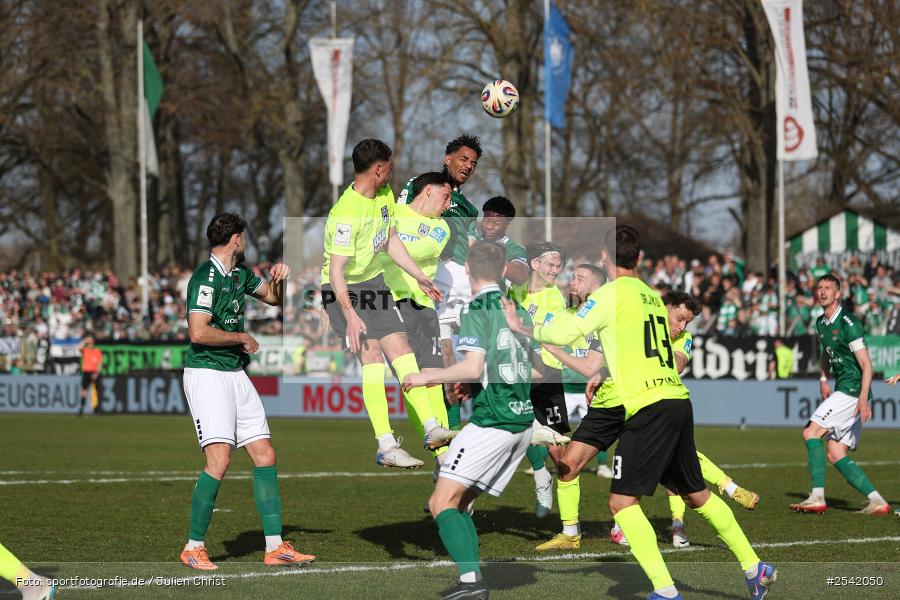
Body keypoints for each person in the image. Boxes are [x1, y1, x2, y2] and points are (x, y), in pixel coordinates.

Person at [504, 225, 775, 600]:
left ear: (605, 259)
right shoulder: (651, 295)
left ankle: (665, 591)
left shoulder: (611, 295)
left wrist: (528, 324)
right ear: (641, 259)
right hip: (674, 399)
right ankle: (754, 567)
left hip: (645, 405)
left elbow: (567, 332)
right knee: (696, 493)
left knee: (621, 503)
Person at [537, 289, 760, 552]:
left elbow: (676, 364)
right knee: (568, 464)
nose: (681, 326)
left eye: (686, 322)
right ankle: (570, 533)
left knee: (681, 478)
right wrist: (602, 372)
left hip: (648, 406)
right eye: (678, 318)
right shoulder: (633, 321)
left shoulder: (680, 337)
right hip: (609, 404)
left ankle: (725, 495)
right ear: (664, 307)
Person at [402, 241, 539, 600]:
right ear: (505, 269)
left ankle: (470, 585)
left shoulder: (477, 306)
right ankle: (471, 580)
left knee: (440, 503)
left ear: (467, 270)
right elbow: (535, 368)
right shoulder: (515, 307)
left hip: (493, 420)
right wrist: (474, 381)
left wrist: (427, 375)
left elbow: (474, 365)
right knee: (459, 502)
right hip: (522, 422)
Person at [180, 212, 314, 570]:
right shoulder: (205, 277)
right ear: (235, 238)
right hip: (207, 373)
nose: (247, 241)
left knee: (265, 454)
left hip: (234, 372)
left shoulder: (240, 274)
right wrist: (241, 336)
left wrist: (279, 279)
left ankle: (274, 547)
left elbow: (272, 298)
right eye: (244, 236)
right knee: (220, 459)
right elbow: (198, 332)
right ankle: (193, 546)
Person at [321, 139, 456, 469]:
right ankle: (385, 444)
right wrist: (350, 317)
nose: (391, 173)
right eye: (389, 167)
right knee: (373, 359)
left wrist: (420, 277)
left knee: (402, 350)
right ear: (379, 169)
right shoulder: (344, 213)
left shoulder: (383, 197)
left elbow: (392, 240)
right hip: (343, 289)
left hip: (374, 283)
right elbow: (336, 271)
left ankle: (431, 428)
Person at [790, 274, 891, 515]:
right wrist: (823, 378)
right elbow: (826, 352)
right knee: (835, 453)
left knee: (810, 432)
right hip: (843, 388)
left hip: (853, 391)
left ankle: (817, 497)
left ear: (838, 294)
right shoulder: (820, 322)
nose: (823, 292)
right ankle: (878, 501)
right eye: (820, 288)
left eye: (828, 289)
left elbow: (867, 365)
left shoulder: (848, 323)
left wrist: (864, 398)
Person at [399, 135, 482, 429]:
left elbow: (471, 248)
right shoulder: (421, 186)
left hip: (460, 283)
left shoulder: (469, 209)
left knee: (474, 362)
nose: (468, 166)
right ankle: (448, 440)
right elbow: (400, 222)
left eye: (473, 162)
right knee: (442, 364)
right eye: (463, 159)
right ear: (448, 158)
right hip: (434, 279)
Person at [380, 171, 455, 473]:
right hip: (393, 301)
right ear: (427, 191)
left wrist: (393, 241)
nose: (448, 205)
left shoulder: (441, 228)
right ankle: (440, 454)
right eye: (446, 196)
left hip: (425, 308)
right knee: (410, 378)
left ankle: (443, 454)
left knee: (432, 378)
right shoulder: (393, 213)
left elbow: (420, 250)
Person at [508, 241, 572, 518]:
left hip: (546, 373)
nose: (556, 270)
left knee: (560, 452)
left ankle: (571, 518)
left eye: (559, 266)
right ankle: (540, 478)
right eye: (551, 264)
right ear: (533, 264)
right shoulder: (514, 289)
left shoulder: (554, 297)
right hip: (520, 371)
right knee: (515, 431)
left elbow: (538, 335)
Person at [473, 196, 529, 287]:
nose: (489, 226)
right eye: (486, 220)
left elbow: (521, 276)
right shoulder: (472, 241)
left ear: (507, 223)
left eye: (496, 223)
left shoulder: (515, 249)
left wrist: (489, 256)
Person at [77, 336, 102, 416]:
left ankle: (96, 408)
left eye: (91, 342)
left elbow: (99, 363)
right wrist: (85, 340)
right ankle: (81, 408)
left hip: (93, 372)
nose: (90, 344)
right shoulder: (85, 350)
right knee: (84, 390)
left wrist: (97, 373)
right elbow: (78, 347)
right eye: (89, 343)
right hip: (86, 372)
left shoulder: (97, 351)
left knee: (95, 390)